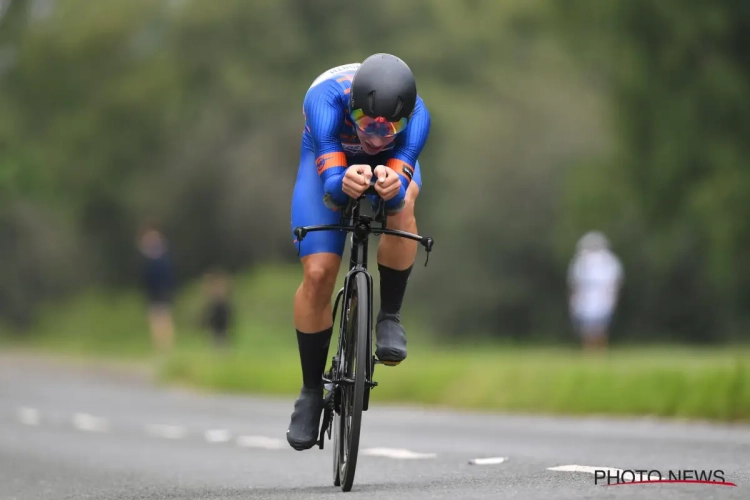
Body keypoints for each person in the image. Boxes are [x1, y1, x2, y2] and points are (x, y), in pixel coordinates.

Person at [286, 53, 431, 451]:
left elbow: (401, 188)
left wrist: (394, 184)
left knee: (406, 202)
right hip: (329, 163)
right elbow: (332, 191)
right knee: (318, 275)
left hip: (388, 169)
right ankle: (312, 390)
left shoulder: (419, 116)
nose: (378, 136)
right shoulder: (325, 101)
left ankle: (389, 317)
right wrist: (341, 179)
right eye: (368, 124)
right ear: (352, 107)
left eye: (391, 128)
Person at [567, 231, 624, 352]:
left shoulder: (609, 262)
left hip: (602, 298)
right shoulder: (581, 262)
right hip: (586, 298)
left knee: (600, 328)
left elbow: (614, 283)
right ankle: (589, 352)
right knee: (587, 329)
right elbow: (574, 283)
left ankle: (599, 352)